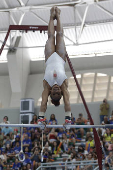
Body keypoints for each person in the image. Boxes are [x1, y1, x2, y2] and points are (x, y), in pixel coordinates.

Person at [38, 6, 71, 124]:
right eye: (58, 93)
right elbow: (67, 102)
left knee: (51, 36)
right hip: (61, 58)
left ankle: (52, 16)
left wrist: (41, 118)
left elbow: (43, 103)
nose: (56, 90)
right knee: (60, 35)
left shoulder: (47, 85)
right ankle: (59, 15)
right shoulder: (64, 85)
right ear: (61, 93)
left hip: (49, 57)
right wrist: (68, 119)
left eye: (54, 93)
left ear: (50, 93)